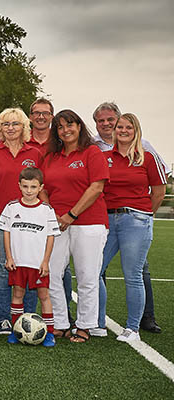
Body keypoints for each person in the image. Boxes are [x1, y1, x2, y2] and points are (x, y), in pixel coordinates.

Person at [92, 101, 170, 334]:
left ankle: (133, 328)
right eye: (120, 128)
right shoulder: (105, 156)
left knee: (133, 275)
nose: (123, 131)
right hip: (108, 221)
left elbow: (158, 191)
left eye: (128, 127)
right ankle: (98, 323)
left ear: (136, 131)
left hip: (135, 220)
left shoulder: (146, 156)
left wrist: (143, 215)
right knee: (94, 271)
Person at [42, 109, 109, 343]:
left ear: (79, 126)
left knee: (86, 275)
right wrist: (53, 214)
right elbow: (42, 188)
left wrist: (71, 214)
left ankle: (84, 326)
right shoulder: (51, 157)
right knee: (50, 274)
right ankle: (59, 323)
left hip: (88, 223)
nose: (65, 130)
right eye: (60, 127)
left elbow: (96, 188)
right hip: (56, 224)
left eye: (70, 125)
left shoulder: (92, 153)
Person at [0, 108, 43, 334]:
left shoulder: (34, 153)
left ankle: (29, 315)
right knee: (2, 270)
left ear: (24, 127)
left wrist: (46, 214)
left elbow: (41, 189)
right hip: (0, 222)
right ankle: (4, 317)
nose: (11, 128)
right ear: (0, 129)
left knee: (30, 267)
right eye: (6, 124)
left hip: (31, 224)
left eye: (16, 124)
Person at [0, 167, 60, 347]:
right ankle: (17, 331)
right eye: (25, 186)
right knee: (17, 294)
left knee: (43, 295)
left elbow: (50, 237)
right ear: (19, 186)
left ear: (41, 187)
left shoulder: (46, 210)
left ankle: (49, 333)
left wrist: (46, 261)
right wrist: (9, 257)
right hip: (18, 261)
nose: (29, 191)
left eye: (33, 187)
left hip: (37, 263)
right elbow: (6, 233)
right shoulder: (11, 207)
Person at [28, 98, 74, 324]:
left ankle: (62, 315)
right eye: (36, 113)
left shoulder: (60, 144)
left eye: (46, 113)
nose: (41, 117)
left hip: (55, 216)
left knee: (58, 266)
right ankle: (27, 313)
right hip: (28, 215)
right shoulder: (23, 140)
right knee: (27, 264)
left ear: (52, 117)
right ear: (30, 116)